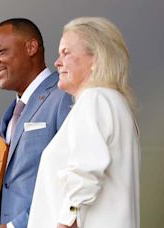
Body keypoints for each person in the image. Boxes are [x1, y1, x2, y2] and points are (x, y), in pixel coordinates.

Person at [27, 17, 141, 228]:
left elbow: (85, 173)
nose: (57, 62)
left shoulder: (95, 99)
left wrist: (66, 220)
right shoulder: (115, 103)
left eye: (66, 53)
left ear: (96, 58)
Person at [0, 18, 73, 228]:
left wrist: (16, 225)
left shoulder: (64, 96)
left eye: (1, 52)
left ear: (31, 47)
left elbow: (72, 180)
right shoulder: (12, 112)